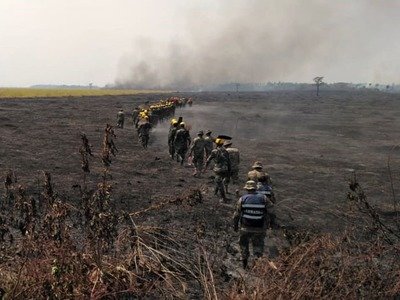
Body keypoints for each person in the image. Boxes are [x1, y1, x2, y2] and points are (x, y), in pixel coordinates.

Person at [233, 180, 276, 269]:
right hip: (259, 228)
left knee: (243, 246)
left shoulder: (242, 199)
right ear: (255, 188)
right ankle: (255, 266)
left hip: (245, 227)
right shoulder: (264, 198)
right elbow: (272, 212)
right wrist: (272, 223)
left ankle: (245, 266)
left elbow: (236, 215)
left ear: (247, 189)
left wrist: (235, 226)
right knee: (258, 247)